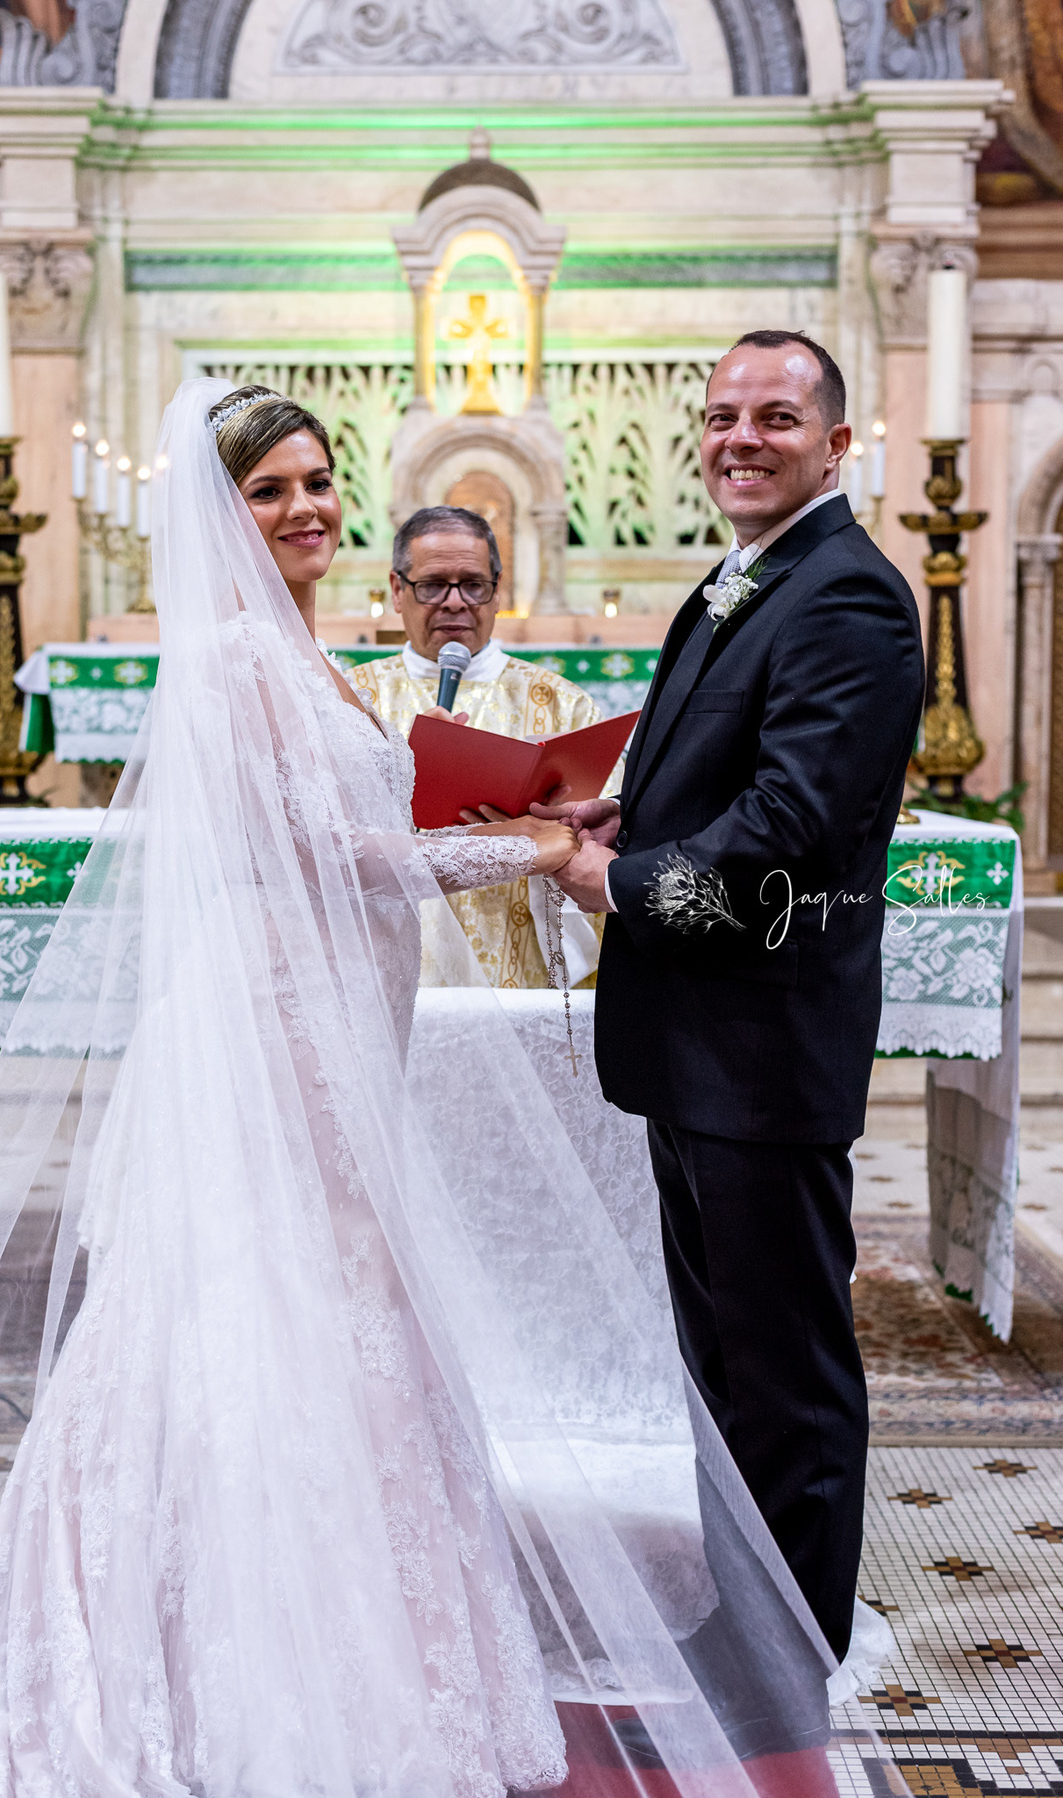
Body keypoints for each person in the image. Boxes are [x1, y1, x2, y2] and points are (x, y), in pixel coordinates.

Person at [0, 378, 850, 1795]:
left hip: (332, 1018)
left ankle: (336, 1625)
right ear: (220, 514)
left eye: (319, 481)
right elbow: (338, 854)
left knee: (336, 1315)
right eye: (269, 491)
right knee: (263, 1313)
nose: (307, 507)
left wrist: (549, 810)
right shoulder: (234, 659)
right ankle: (209, 1654)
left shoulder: (307, 654)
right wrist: (535, 857)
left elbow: (383, 811)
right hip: (277, 1024)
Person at [538, 330, 925, 1669]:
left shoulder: (848, 595)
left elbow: (791, 829)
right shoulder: (740, 580)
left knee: (787, 1384)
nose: (739, 438)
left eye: (775, 416)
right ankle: (743, 1620)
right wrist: (626, 810)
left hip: (762, 1048)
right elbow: (721, 772)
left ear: (836, 443)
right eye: (720, 417)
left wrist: (623, 889)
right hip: (700, 1044)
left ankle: (790, 1657)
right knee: (724, 1375)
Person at [350, 506, 605, 990]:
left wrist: (559, 822)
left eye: (473, 584)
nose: (454, 602)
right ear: (397, 589)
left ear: (497, 589)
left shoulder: (563, 704)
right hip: (386, 964)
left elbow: (606, 832)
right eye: (432, 585)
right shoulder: (354, 696)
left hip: (521, 966)